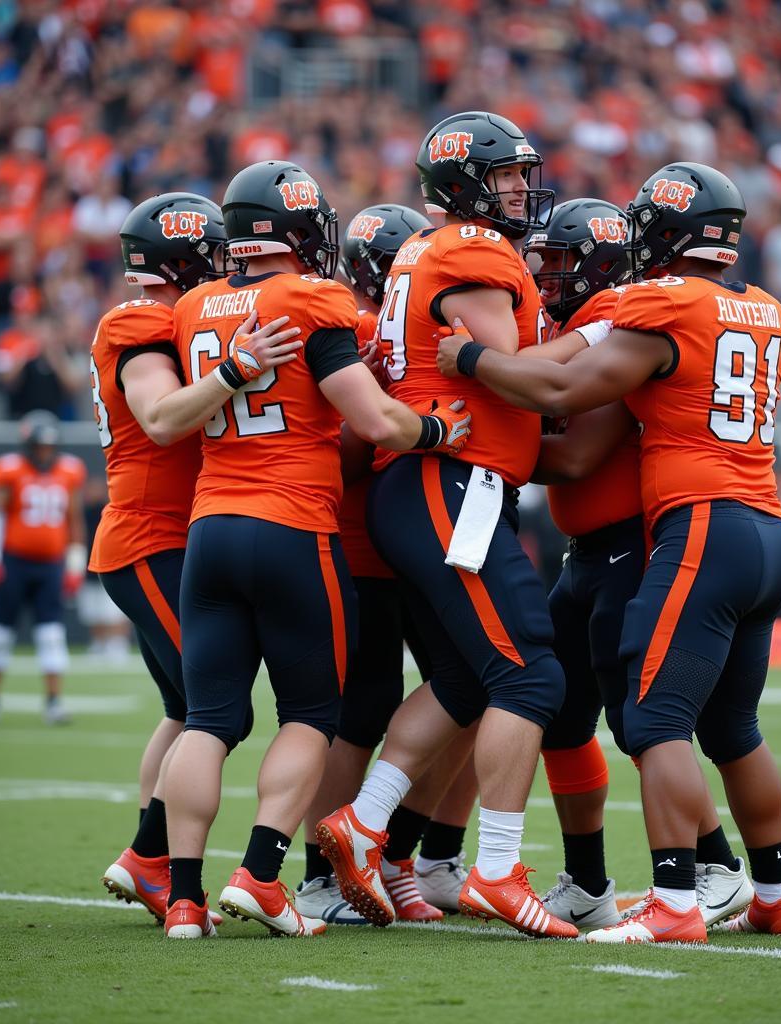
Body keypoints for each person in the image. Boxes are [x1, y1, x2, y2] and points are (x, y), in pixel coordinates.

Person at [437, 162, 781, 943]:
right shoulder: (764, 306)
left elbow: (565, 398)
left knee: (654, 717)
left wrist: (470, 362)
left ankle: (678, 898)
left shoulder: (663, 303)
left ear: (665, 231)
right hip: (766, 525)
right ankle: (775, 890)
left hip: (702, 523)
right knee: (732, 725)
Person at [161, 160, 471, 940]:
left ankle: (184, 902)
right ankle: (262, 877)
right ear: (298, 228)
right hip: (293, 526)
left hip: (210, 528)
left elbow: (173, 417)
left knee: (207, 720)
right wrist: (434, 428)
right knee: (308, 712)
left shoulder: (196, 305)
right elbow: (374, 421)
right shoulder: (312, 298)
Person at [317, 112, 579, 941]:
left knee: (471, 675)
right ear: (467, 183)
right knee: (531, 675)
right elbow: (519, 376)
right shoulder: (471, 249)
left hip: (446, 484)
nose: (520, 189)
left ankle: (365, 828)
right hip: (448, 478)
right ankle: (497, 866)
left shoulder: (441, 250)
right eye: (506, 176)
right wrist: (612, 335)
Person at [513, 198, 752, 932]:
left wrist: (469, 446)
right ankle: (587, 881)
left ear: (600, 263)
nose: (545, 275)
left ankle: (714, 866)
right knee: (558, 713)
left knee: (642, 720)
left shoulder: (628, 317)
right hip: (585, 553)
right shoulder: (577, 327)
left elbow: (582, 452)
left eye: (559, 261)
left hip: (633, 548)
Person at [96, 192, 299, 926]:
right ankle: (153, 862)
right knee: (222, 711)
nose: (228, 265)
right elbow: (158, 418)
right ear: (185, 260)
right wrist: (235, 368)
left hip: (168, 535)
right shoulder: (141, 323)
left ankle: (143, 858)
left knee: (188, 708)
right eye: (215, 253)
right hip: (153, 537)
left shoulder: (170, 315)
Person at [296, 202, 479, 925]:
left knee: (467, 691)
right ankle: (321, 873)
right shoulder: (358, 331)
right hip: (363, 545)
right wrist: (427, 431)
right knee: (361, 712)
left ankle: (396, 855)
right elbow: (347, 446)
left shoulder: (400, 332)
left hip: (418, 543)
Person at [0, 411, 86, 724]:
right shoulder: (10, 469)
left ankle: (53, 701)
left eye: (48, 447)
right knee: (0, 632)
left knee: (51, 633)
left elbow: (74, 519)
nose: (44, 453)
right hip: (14, 562)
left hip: (51, 564)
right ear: (27, 445)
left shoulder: (69, 470)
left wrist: (75, 564)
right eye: (39, 447)